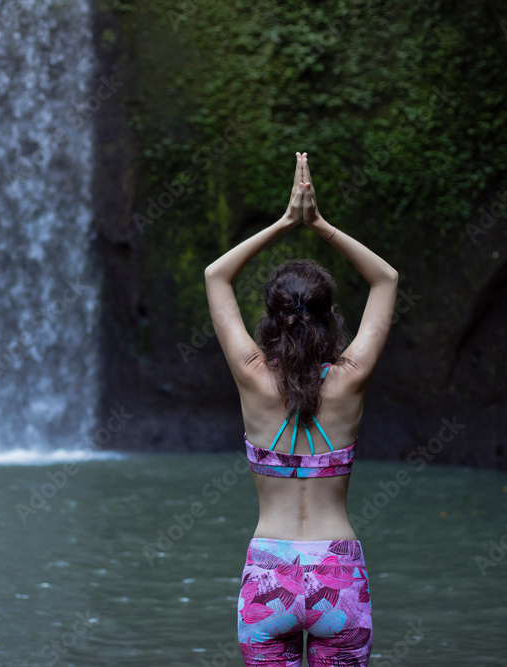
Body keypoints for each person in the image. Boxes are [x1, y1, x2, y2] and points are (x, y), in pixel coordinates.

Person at [203, 152, 398, 666]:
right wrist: (320, 225)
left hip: (271, 573)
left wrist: (285, 222)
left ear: (270, 319)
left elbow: (215, 276)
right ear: (332, 316)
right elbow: (387, 280)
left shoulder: (252, 375)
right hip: (339, 571)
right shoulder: (350, 381)